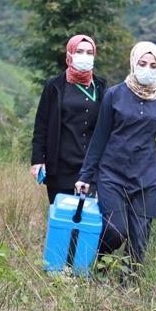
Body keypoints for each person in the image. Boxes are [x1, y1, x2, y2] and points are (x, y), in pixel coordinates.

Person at [75, 41, 156, 273]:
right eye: (143, 63)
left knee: (139, 239)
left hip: (146, 178)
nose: (147, 69)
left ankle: (129, 284)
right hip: (112, 175)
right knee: (115, 230)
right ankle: (99, 266)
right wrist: (86, 176)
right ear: (133, 62)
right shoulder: (114, 95)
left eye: (153, 65)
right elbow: (99, 138)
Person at [30, 35, 107, 204]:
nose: (85, 56)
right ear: (70, 54)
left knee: (87, 213)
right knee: (61, 213)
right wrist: (38, 160)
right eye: (79, 51)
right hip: (60, 165)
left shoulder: (101, 86)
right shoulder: (54, 85)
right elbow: (41, 124)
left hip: (90, 167)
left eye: (89, 52)